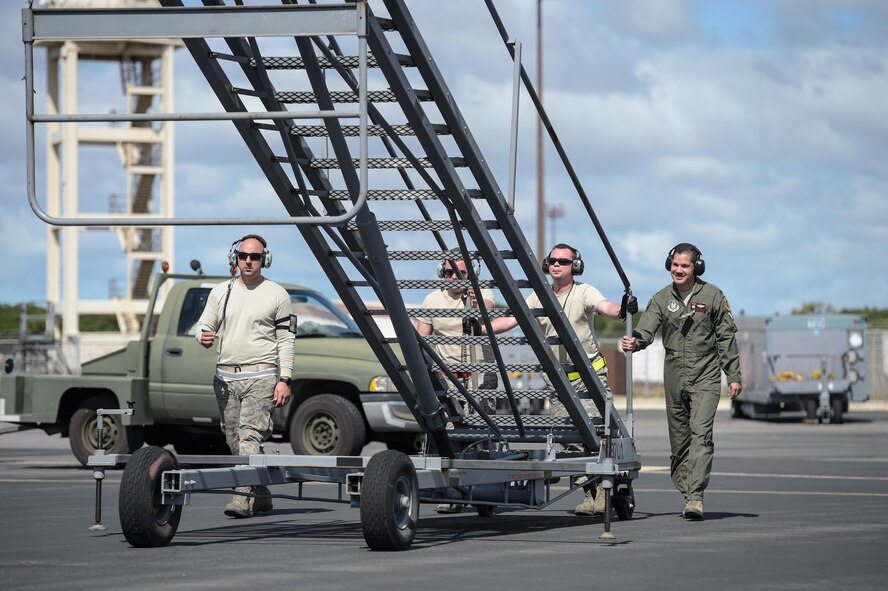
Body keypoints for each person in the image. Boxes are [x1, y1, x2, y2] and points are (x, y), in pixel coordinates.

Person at [485, 243, 636, 516]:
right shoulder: (538, 297)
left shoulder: (584, 292)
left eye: (563, 261)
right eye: (552, 260)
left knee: (597, 433)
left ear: (574, 266)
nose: (557, 265)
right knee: (569, 441)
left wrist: (623, 308)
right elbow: (510, 320)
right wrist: (480, 326)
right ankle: (592, 495)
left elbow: (605, 306)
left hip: (589, 377)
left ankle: (603, 492)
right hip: (558, 381)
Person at [620, 243, 741, 521]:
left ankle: (695, 496)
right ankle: (686, 488)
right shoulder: (662, 298)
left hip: (706, 373)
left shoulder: (712, 296)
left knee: (701, 434)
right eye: (675, 264)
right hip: (674, 373)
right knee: (680, 442)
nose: (679, 270)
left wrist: (733, 375)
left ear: (696, 267)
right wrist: (634, 341)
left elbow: (726, 337)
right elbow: (646, 330)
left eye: (685, 265)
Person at [196, 234, 295, 519]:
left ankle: (240, 496)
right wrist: (201, 336)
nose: (249, 261)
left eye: (255, 257)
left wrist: (284, 378)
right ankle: (261, 492)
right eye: (243, 256)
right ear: (235, 258)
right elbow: (204, 324)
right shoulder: (221, 292)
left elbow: (287, 340)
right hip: (225, 378)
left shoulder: (277, 294)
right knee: (233, 440)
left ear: (266, 260)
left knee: (250, 437)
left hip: (261, 375)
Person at [415, 257, 495, 514]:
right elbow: (422, 338)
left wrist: (475, 301)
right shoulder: (432, 300)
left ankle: (485, 491)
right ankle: (453, 492)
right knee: (450, 435)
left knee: (480, 437)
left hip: (479, 376)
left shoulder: (481, 292)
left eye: (460, 273)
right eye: (449, 272)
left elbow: (488, 311)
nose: (453, 278)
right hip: (448, 376)